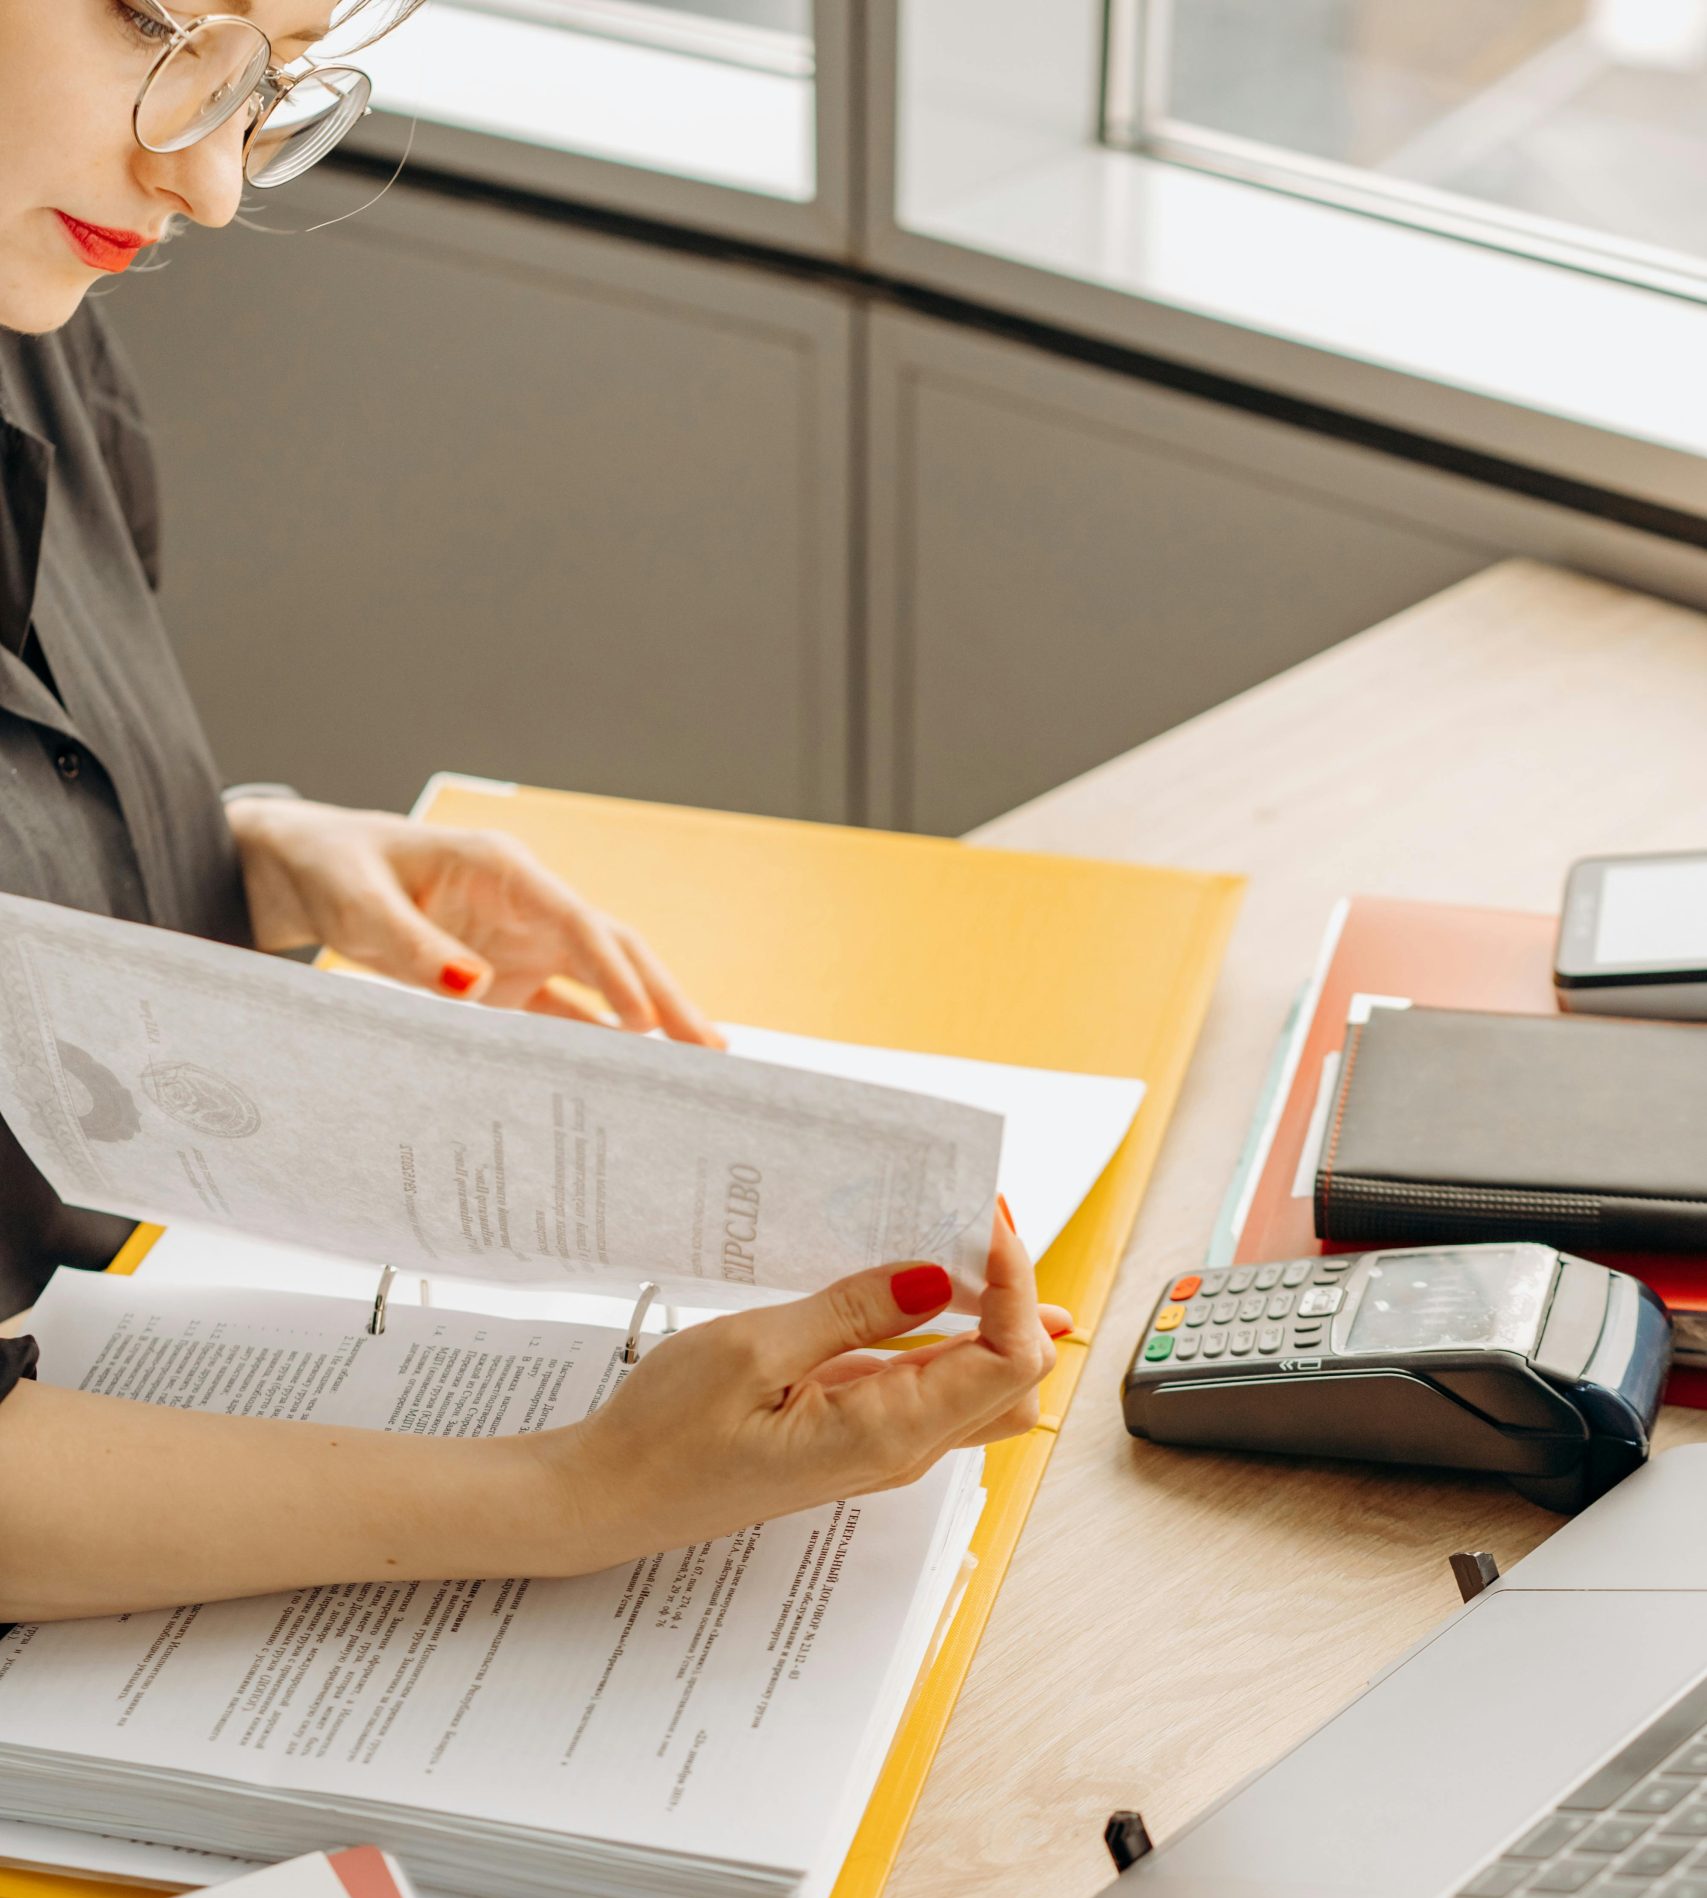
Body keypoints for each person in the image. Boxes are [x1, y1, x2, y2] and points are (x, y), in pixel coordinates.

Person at [0, 0, 1066, 1625]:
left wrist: (253, 858)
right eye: (162, 24)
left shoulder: (34, 319)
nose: (211, 182)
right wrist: (574, 1494)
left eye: (266, 83)